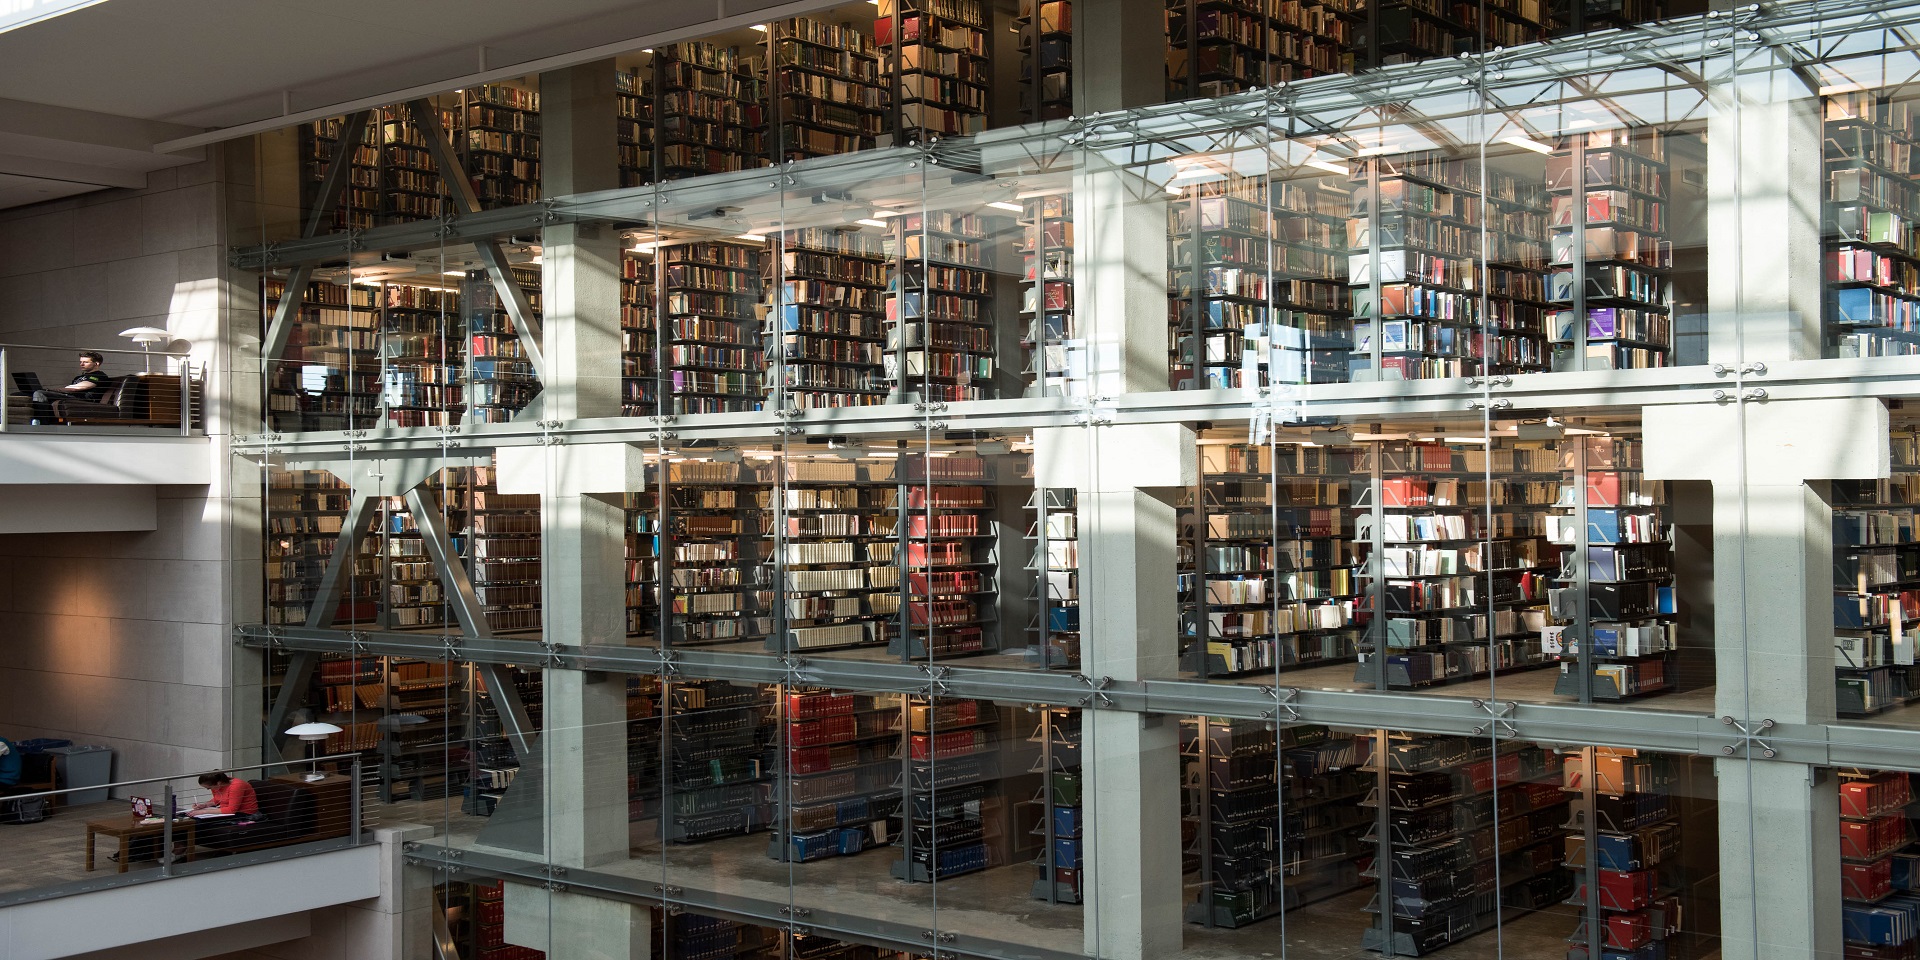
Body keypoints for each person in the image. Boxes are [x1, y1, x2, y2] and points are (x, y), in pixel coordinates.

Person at [28, 351, 111, 423]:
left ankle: (41, 424)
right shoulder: (78, 377)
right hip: (71, 396)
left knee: (40, 393)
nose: (81, 364)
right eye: (80, 362)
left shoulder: (100, 376)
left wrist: (54, 390)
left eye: (85, 362)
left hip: (82, 399)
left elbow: (79, 387)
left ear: (96, 364)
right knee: (26, 393)